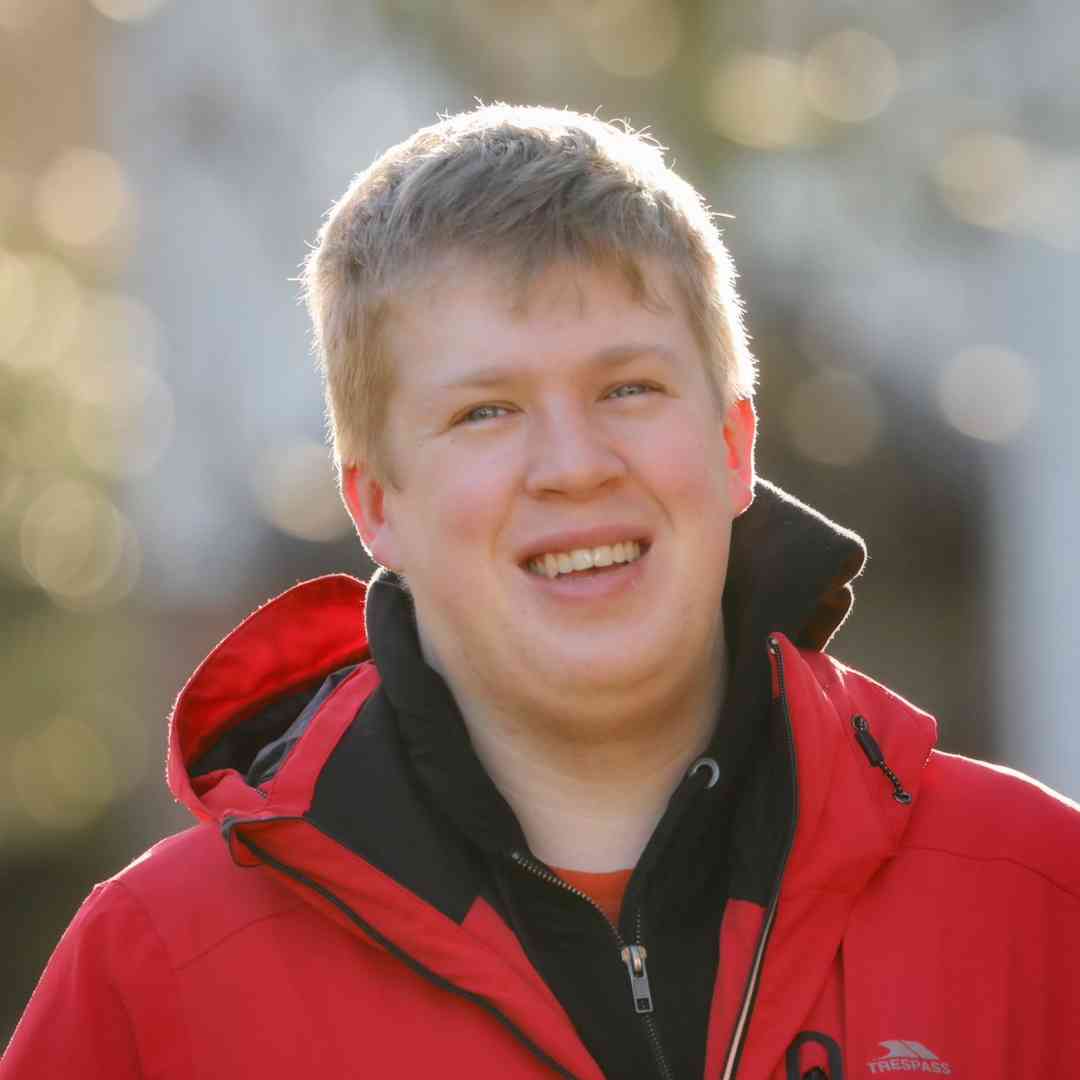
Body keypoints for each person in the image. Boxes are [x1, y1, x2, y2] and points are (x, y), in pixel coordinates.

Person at [4, 104, 1078, 1080]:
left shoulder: (1038, 902)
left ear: (734, 443)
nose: (573, 463)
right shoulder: (161, 977)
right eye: (487, 411)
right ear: (376, 506)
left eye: (628, 387)